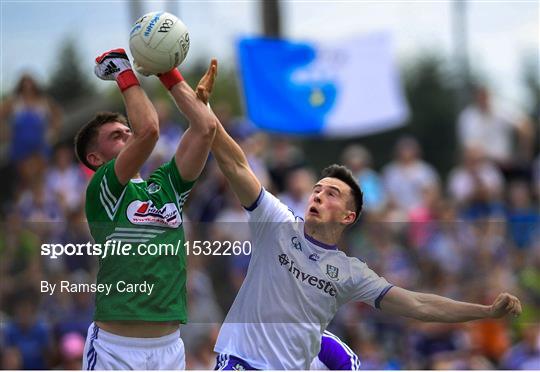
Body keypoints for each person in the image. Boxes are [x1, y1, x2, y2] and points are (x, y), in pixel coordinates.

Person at [195, 59, 523, 370]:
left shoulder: (349, 274)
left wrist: (484, 311)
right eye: (318, 189)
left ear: (348, 217)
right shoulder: (277, 221)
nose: (319, 195)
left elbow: (420, 305)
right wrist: (201, 107)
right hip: (240, 361)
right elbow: (236, 164)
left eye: (332, 193)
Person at [74, 49, 216, 370]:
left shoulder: (166, 185)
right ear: (96, 159)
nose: (127, 135)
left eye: (127, 131)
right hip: (115, 350)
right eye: (116, 136)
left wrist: (169, 73)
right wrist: (123, 71)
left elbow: (206, 128)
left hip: (169, 349)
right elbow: (149, 130)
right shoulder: (103, 190)